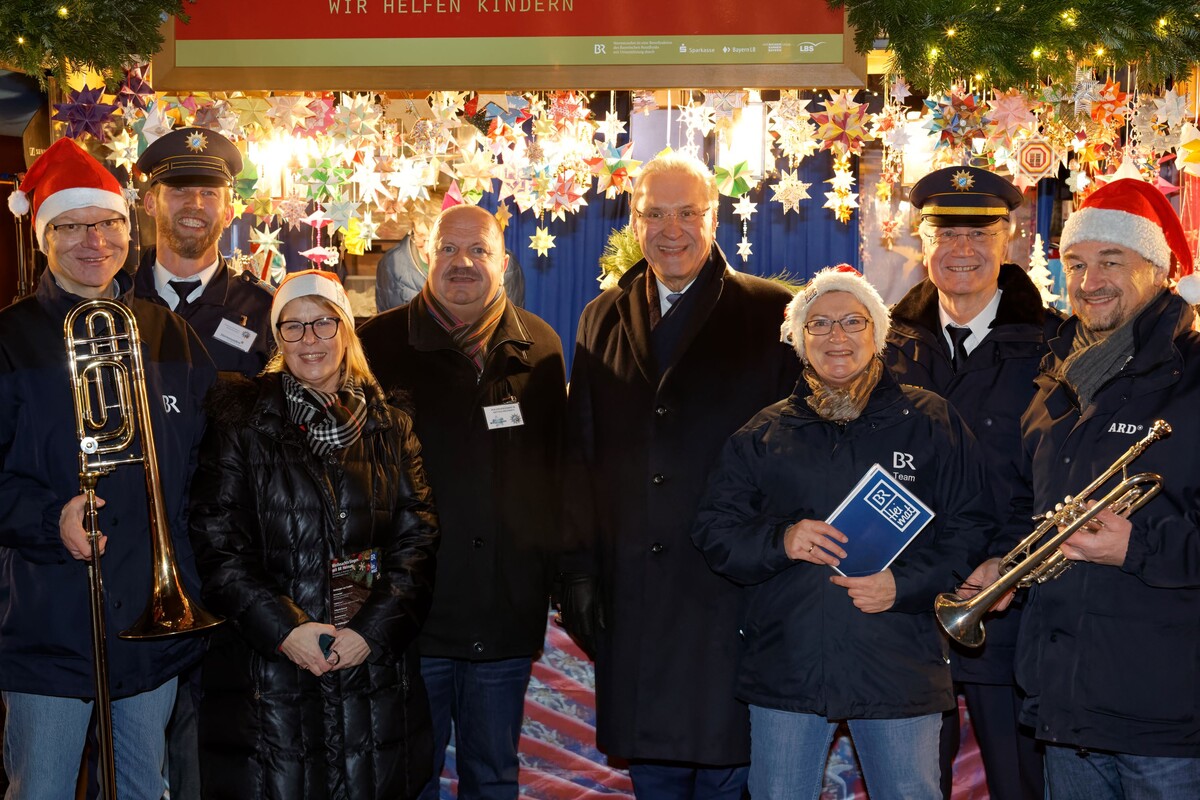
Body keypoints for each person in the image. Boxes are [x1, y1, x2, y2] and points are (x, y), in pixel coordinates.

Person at [691, 265, 993, 799]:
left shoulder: (930, 421)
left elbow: (972, 528)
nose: (837, 336)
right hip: (789, 669)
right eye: (820, 324)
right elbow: (714, 531)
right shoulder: (761, 433)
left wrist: (906, 586)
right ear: (799, 339)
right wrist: (780, 541)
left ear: (877, 333)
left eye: (853, 321)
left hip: (899, 666)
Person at [557, 151, 800, 799]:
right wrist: (578, 568)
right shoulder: (599, 317)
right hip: (634, 602)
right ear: (634, 223)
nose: (671, 229)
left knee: (731, 777)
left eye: (687, 213)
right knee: (655, 781)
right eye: (654, 213)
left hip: (732, 602)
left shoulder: (775, 313)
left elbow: (803, 460)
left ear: (714, 218)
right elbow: (581, 454)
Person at [960, 178, 1200, 797]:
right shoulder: (1056, 383)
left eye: (1111, 261)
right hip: (1064, 707)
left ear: (1158, 269)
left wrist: (1136, 546)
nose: (1090, 280)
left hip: (1169, 717)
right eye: (1075, 263)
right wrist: (1006, 563)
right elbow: (1034, 509)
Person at [0, 138, 215, 798]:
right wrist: (48, 516)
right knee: (42, 790)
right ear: (43, 236)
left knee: (146, 790)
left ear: (129, 229)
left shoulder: (169, 334)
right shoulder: (7, 342)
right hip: (48, 628)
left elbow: (209, 466)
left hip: (152, 633)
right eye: (71, 226)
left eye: (108, 224)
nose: (94, 241)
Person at [187, 269, 440, 798]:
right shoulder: (241, 424)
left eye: (324, 324)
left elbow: (417, 542)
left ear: (346, 331)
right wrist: (286, 630)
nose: (309, 340)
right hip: (270, 680)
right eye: (293, 327)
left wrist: (371, 632)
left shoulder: (391, 427)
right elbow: (218, 546)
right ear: (276, 338)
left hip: (371, 675)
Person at [358, 204, 565, 800]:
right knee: (407, 776)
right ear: (427, 255)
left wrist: (552, 575)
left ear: (504, 262)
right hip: (408, 612)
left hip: (504, 607)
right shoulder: (376, 345)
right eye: (449, 248)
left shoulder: (541, 348)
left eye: (479, 251)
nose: (463, 262)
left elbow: (556, 473)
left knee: (494, 774)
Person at [886, 165, 1051, 800]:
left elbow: (1061, 473)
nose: (961, 249)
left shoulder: (1055, 346)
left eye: (979, 232)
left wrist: (1006, 566)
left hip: (1011, 605)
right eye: (944, 231)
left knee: (1020, 783)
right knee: (910, 786)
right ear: (919, 240)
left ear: (1010, 239)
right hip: (909, 608)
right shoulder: (884, 348)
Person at [134, 126, 275, 377]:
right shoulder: (118, 300)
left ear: (229, 213)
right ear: (151, 203)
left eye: (209, 193)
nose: (195, 203)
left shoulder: (264, 310)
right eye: (179, 189)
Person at [375, 201, 526, 312]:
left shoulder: (502, 265)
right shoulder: (393, 264)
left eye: (478, 250)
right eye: (421, 236)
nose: (427, 247)